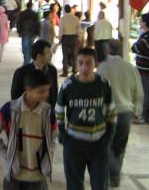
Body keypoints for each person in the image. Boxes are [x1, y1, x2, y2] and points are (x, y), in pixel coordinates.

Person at [56, 48, 117, 190]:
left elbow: (111, 113)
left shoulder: (103, 84)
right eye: (81, 63)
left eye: (89, 63)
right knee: (74, 185)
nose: (84, 67)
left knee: (100, 184)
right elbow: (58, 111)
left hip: (99, 145)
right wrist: (63, 134)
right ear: (76, 64)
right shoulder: (68, 85)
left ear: (95, 64)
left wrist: (108, 136)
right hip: (74, 144)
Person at [0, 69, 55, 190]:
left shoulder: (49, 114)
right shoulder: (9, 110)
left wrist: (47, 160)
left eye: (47, 90)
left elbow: (52, 140)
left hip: (38, 178)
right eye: (41, 91)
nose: (46, 94)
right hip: (14, 176)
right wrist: (7, 155)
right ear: (28, 90)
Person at [97, 42, 143, 188]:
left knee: (106, 145)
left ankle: (113, 172)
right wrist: (137, 110)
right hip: (126, 112)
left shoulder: (102, 67)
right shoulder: (131, 68)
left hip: (108, 112)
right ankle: (115, 176)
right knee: (119, 146)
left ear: (107, 50)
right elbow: (139, 92)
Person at [11, 40, 58, 127]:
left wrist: (52, 112)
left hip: (45, 114)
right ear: (39, 56)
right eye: (48, 52)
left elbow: (54, 92)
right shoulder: (21, 72)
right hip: (27, 115)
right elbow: (15, 96)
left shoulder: (52, 70)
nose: (51, 54)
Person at [132, 13, 149, 122]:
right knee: (141, 91)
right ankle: (139, 114)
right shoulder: (145, 35)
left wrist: (135, 47)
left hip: (145, 69)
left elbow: (136, 47)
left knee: (144, 92)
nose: (139, 22)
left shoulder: (148, 36)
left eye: (141, 20)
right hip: (142, 67)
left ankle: (143, 116)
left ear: (145, 22)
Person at [58, 5, 83, 77]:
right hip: (74, 38)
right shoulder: (75, 18)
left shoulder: (63, 19)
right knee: (74, 54)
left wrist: (59, 38)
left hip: (65, 38)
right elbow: (79, 29)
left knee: (65, 55)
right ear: (71, 10)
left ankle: (65, 72)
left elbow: (61, 30)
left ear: (65, 10)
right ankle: (75, 70)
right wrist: (79, 37)